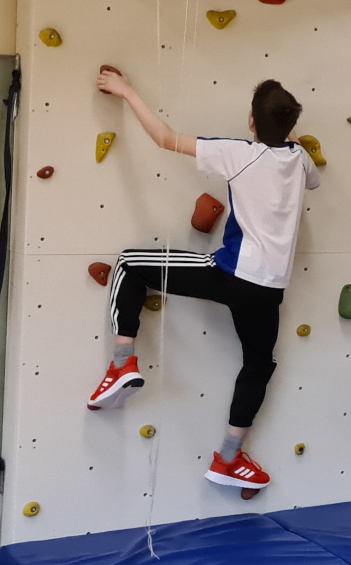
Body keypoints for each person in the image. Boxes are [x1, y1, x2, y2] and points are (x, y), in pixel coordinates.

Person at [87, 68, 320, 491]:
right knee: (258, 366)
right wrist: (291, 137)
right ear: (291, 124)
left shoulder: (239, 153)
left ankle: (121, 363)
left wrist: (126, 91)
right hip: (270, 290)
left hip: (231, 273)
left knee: (130, 263)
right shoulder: (300, 159)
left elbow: (165, 139)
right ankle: (229, 456)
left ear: (251, 122)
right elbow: (313, 177)